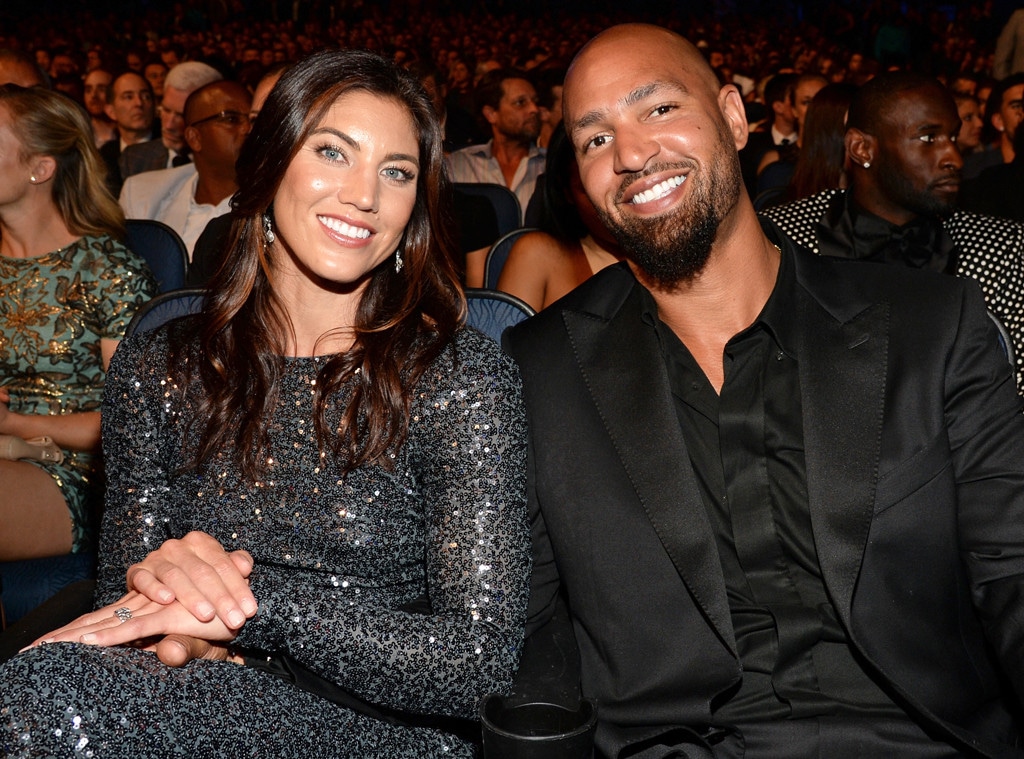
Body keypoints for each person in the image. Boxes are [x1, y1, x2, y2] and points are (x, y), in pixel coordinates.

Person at [507, 24, 1024, 758]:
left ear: (735, 116)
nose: (629, 154)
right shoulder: (539, 372)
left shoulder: (929, 327)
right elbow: (529, 641)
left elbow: (1013, 571)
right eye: (595, 139)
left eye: (657, 109)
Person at [0, 49, 529, 758]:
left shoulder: (458, 375)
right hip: (183, 694)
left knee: (47, 703)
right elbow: (131, 599)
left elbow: (479, 663)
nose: (365, 194)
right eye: (334, 152)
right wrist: (185, 627)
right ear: (272, 162)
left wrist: (251, 610)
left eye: (396, 171)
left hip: (382, 726)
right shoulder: (161, 365)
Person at [763, 72, 1024, 393]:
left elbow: (1014, 391)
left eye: (953, 138)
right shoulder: (785, 237)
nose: (954, 159)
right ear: (861, 148)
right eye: (929, 138)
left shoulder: (996, 247)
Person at [0, 84, 156, 562]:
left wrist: (13, 423)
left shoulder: (108, 270)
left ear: (40, 168)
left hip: (78, 471)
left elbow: (135, 428)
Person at [119, 80, 252, 257]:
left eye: (253, 119)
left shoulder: (275, 204)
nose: (248, 128)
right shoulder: (143, 196)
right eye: (231, 119)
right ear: (194, 137)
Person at [497, 126, 623, 311]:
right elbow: (502, 336)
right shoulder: (538, 254)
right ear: (568, 193)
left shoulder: (668, 254)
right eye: (587, 189)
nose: (613, 200)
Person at [447, 68, 546, 221]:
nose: (534, 109)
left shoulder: (552, 166)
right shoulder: (458, 165)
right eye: (520, 103)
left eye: (535, 101)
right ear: (491, 114)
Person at [119, 61, 222, 178]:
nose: (169, 125)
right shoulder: (134, 159)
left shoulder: (227, 165)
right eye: (166, 110)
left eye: (181, 115)